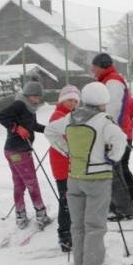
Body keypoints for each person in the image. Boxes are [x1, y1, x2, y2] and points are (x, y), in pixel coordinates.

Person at [45, 82, 127, 265]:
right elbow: (120, 139)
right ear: (103, 101)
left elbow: (50, 131)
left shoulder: (71, 117)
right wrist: (113, 157)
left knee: (78, 225)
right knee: (95, 226)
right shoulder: (104, 121)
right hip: (97, 179)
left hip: (74, 178)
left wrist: (67, 151)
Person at [0, 77, 52, 229]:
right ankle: (41, 214)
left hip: (14, 151)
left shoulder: (30, 107)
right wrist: (16, 128)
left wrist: (48, 130)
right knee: (32, 183)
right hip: (18, 151)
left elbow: (32, 125)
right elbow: (0, 116)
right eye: (35, 96)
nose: (38, 99)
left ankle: (20, 215)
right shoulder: (20, 104)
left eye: (39, 96)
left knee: (19, 184)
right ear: (27, 94)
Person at [91, 52, 133, 220]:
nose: (92, 70)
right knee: (112, 172)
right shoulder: (106, 80)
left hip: (111, 133)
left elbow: (113, 110)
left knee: (114, 174)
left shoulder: (113, 81)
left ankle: (125, 209)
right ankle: (118, 207)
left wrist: (105, 133)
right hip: (110, 131)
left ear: (101, 66)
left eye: (94, 67)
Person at [48, 84, 81, 252]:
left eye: (76, 101)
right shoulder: (58, 115)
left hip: (72, 165)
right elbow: (66, 139)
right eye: (70, 100)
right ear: (63, 99)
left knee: (72, 199)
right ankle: (65, 235)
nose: (73, 103)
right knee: (66, 201)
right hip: (62, 166)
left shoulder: (71, 115)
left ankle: (71, 232)